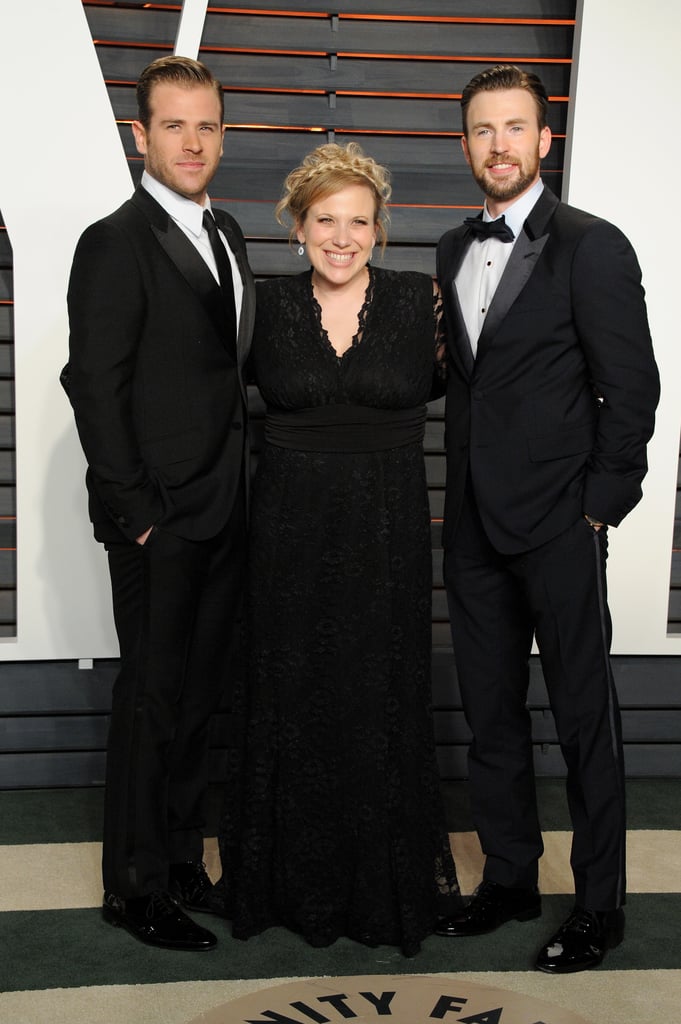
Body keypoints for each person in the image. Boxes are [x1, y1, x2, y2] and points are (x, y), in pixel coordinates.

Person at [434, 64, 660, 972]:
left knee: (581, 722)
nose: (498, 145)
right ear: (465, 144)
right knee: (489, 718)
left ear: (542, 140)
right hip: (472, 528)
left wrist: (597, 510)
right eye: (482, 130)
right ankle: (509, 878)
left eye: (514, 128)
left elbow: (631, 391)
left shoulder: (591, 245)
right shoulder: (451, 247)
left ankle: (598, 905)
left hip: (563, 528)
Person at [216, 141, 461, 956]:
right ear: (295, 225)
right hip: (285, 534)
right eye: (326, 219)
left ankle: (379, 888)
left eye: (359, 220)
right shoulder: (263, 308)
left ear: (380, 228)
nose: (342, 235)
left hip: (387, 533)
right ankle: (288, 885)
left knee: (376, 694)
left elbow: (485, 393)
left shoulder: (420, 302)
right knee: (290, 692)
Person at [62, 55, 255, 951]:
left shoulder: (233, 236)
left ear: (223, 131)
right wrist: (136, 509)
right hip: (158, 520)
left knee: (200, 697)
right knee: (151, 700)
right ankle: (132, 886)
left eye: (206, 124)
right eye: (173, 124)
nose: (192, 140)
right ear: (141, 135)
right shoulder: (114, 240)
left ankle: (180, 862)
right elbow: (93, 383)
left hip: (225, 510)